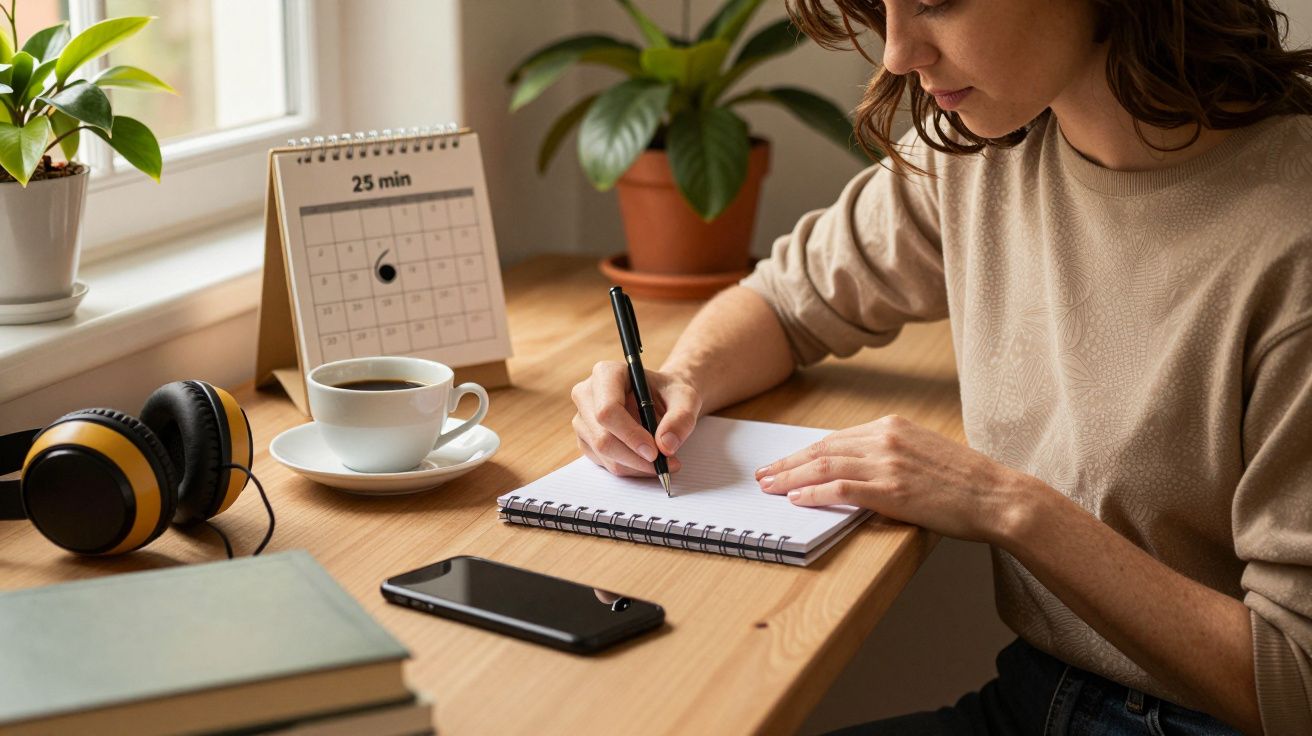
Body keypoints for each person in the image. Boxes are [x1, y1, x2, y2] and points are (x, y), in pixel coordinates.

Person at [570, 0, 1312, 733]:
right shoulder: (985, 150)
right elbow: (786, 301)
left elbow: (1294, 684)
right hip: (1034, 697)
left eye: (937, 2)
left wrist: (1006, 506)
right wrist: (678, 383)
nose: (896, 52)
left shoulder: (1290, 242)